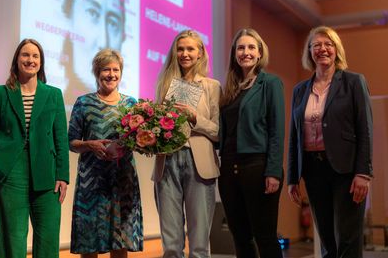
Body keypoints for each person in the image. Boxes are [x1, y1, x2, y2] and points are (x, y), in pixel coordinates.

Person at [0, 39, 69, 258]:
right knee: (13, 238)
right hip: (11, 171)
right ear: (17, 60)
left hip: (47, 172)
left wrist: (63, 175)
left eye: (35, 56)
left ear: (41, 62)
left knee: (48, 239)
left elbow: (61, 139)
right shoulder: (1, 93)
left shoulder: (53, 94)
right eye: (25, 55)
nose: (30, 60)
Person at [287, 26, 373, 258]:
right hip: (314, 170)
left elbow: (365, 129)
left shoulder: (354, 82)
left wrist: (363, 173)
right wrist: (293, 177)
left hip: (346, 171)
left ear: (336, 50)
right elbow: (294, 134)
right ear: (310, 52)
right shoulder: (300, 90)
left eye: (328, 44)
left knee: (347, 239)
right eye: (317, 45)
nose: (322, 49)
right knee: (326, 240)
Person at [68, 48, 143, 258]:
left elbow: (139, 142)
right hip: (91, 181)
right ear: (96, 72)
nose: (111, 74)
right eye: (105, 70)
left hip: (122, 180)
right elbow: (71, 142)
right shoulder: (83, 102)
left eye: (116, 70)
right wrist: (90, 144)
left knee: (120, 242)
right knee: (89, 242)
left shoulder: (131, 104)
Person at [218, 28, 285, 258]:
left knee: (265, 237)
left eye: (250, 47)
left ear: (259, 53)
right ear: (234, 53)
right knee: (240, 238)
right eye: (240, 47)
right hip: (228, 170)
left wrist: (274, 171)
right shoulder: (230, 88)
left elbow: (277, 131)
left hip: (258, 167)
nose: (245, 52)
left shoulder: (270, 83)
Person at [154, 30, 221, 258]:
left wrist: (195, 118)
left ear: (200, 52)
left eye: (190, 49)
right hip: (167, 163)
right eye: (180, 49)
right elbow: (158, 126)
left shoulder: (212, 86)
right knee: (171, 246)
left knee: (199, 245)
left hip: (199, 164)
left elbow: (219, 132)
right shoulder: (165, 84)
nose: (184, 54)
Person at [61, 0, 126, 104]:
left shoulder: (131, 105)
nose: (103, 41)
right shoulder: (80, 104)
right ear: (69, 19)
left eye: (113, 23)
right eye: (92, 13)